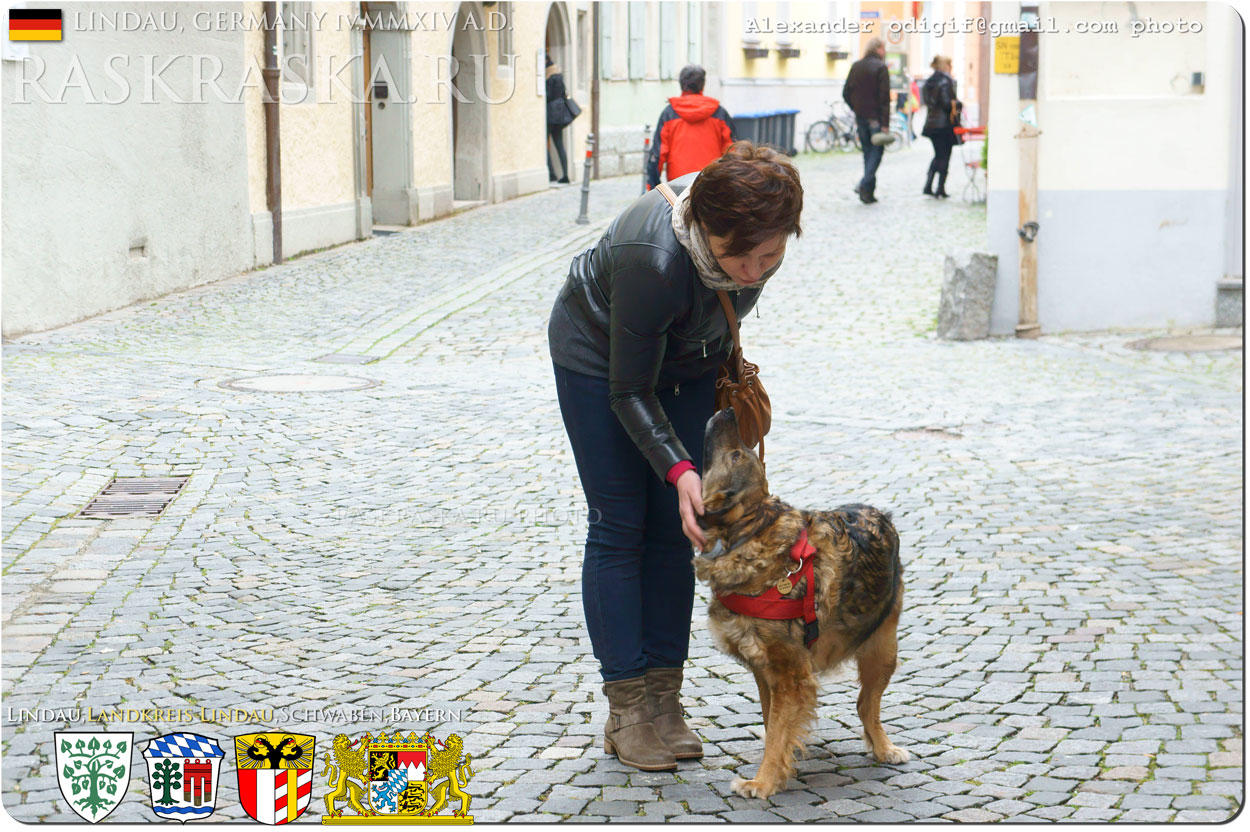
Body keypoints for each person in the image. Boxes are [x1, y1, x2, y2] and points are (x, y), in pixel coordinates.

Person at [548, 142, 803, 772]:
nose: (753, 270)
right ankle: (628, 708)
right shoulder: (654, 260)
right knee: (619, 524)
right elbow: (628, 389)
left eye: (769, 255)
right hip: (599, 358)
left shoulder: (752, 231)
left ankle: (665, 699)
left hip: (688, 362)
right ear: (703, 229)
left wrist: (686, 473)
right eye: (737, 256)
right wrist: (680, 467)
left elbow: (725, 303)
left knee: (678, 528)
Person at [644, 65, 735, 190]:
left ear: (681, 84)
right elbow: (733, 153)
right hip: (711, 183)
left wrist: (654, 188)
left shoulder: (669, 114)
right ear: (703, 85)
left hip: (678, 185)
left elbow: (657, 156)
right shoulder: (719, 113)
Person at [842, 37, 891, 204]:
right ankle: (864, 184)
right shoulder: (881, 67)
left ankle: (868, 193)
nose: (885, 52)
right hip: (876, 119)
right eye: (883, 48)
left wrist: (856, 108)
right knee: (876, 152)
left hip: (861, 117)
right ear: (877, 48)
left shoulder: (856, 66)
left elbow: (846, 93)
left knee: (868, 153)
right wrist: (885, 124)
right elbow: (884, 98)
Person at [921, 56, 961, 198]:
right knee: (944, 156)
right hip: (944, 125)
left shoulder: (928, 82)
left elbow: (927, 101)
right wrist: (958, 104)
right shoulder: (945, 81)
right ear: (945, 66)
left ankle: (929, 184)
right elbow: (946, 103)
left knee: (938, 155)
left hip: (931, 124)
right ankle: (939, 187)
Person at [545, 55, 571, 184]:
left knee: (544, 145)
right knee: (560, 145)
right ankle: (565, 175)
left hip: (550, 115)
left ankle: (552, 174)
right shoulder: (559, 75)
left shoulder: (549, 76)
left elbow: (548, 95)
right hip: (560, 116)